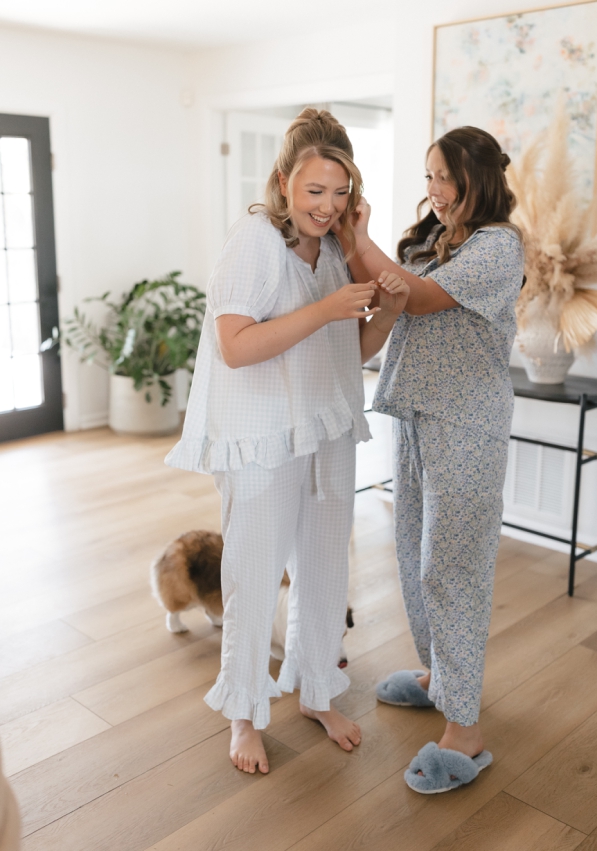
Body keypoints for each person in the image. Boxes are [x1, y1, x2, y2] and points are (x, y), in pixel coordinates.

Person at [166, 108, 409, 774]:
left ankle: (318, 688)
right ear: (283, 181)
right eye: (314, 191)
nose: (327, 207)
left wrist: (382, 313)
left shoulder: (334, 247)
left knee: (326, 562)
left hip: (325, 424)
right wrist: (328, 307)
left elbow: (345, 348)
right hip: (262, 433)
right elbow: (236, 346)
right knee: (251, 569)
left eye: (340, 192)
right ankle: (244, 712)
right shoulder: (253, 239)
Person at [341, 126, 524, 794]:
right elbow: (387, 285)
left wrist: (360, 236)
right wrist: (357, 240)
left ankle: (466, 734)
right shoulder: (432, 237)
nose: (433, 190)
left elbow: (414, 297)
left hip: (468, 421)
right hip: (420, 413)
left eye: (441, 177)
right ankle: (439, 677)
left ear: (476, 176)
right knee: (417, 556)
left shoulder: (500, 247)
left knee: (453, 566)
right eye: (427, 177)